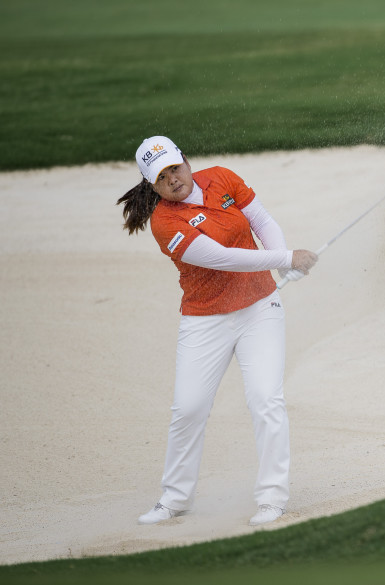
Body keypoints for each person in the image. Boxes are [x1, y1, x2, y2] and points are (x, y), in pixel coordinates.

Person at [117, 136, 318, 526]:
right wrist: (286, 257)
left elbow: (261, 220)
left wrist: (281, 262)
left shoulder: (222, 178)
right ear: (151, 185)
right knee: (188, 409)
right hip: (205, 320)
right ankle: (175, 499)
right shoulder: (165, 222)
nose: (172, 179)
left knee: (266, 400)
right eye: (161, 177)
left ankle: (272, 498)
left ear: (186, 161)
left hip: (260, 308)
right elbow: (222, 259)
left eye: (174, 167)